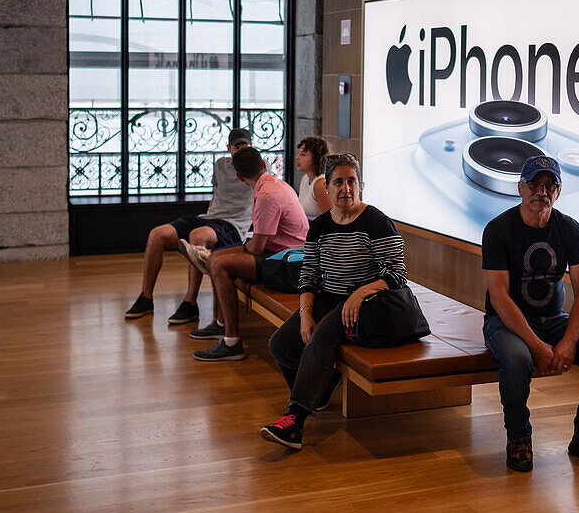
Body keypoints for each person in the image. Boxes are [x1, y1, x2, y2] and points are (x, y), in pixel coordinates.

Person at [481, 155, 579, 473]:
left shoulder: (570, 230)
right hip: (504, 322)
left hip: (554, 320)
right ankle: (519, 437)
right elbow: (499, 296)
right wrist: (535, 345)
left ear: (558, 192)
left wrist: (569, 341)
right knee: (517, 360)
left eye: (550, 184)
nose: (541, 191)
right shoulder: (498, 230)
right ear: (520, 187)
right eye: (534, 183)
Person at [261, 153, 407, 450]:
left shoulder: (376, 221)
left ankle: (295, 421)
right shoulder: (321, 225)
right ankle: (322, 390)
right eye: (338, 182)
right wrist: (304, 313)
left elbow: (397, 274)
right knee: (280, 344)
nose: (346, 189)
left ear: (360, 184)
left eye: (351, 181)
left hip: (368, 303)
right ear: (326, 187)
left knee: (321, 338)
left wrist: (359, 293)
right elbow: (309, 273)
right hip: (331, 296)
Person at [190, 146, 309, 361]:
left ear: (238, 177)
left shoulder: (266, 194)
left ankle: (231, 342)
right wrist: (228, 251)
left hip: (290, 263)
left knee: (219, 264)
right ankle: (221, 324)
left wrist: (234, 251)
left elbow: (256, 248)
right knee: (215, 257)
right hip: (280, 252)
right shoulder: (275, 184)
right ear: (263, 164)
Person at [123, 128, 254, 325]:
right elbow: (215, 194)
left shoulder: (258, 166)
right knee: (157, 235)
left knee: (197, 237)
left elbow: (263, 197)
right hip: (210, 218)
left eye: (246, 146)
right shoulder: (220, 164)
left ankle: (190, 302)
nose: (241, 151)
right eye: (237, 147)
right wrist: (210, 214)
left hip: (233, 225)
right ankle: (146, 298)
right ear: (229, 148)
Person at [295, 136, 332, 220]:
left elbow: (331, 220)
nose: (297, 157)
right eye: (299, 153)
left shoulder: (320, 184)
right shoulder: (305, 179)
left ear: (316, 158)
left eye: (303, 154)